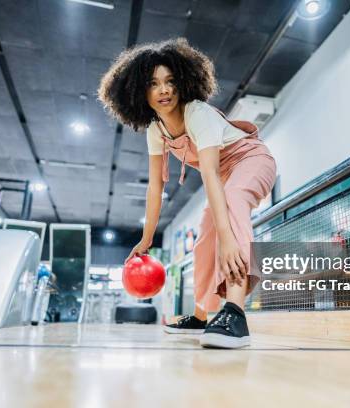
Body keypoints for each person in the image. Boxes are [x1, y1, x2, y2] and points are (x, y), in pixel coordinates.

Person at [98, 38, 276, 348]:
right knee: (206, 235)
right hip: (224, 174)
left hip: (252, 160)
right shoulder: (156, 130)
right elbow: (156, 187)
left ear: (182, 84)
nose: (164, 90)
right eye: (154, 84)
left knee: (230, 212)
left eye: (170, 81)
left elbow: (209, 174)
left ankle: (235, 313)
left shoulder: (197, 113)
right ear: (140, 92)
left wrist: (230, 239)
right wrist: (146, 238)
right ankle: (200, 316)